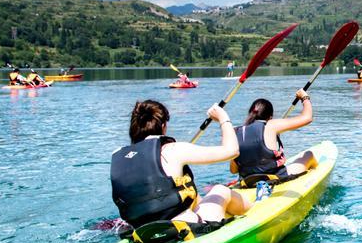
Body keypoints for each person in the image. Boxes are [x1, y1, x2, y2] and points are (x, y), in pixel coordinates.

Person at [110, 100, 249, 227]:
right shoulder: (172, 149)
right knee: (220, 190)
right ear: (163, 126)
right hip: (184, 230)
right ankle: (254, 211)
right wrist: (223, 118)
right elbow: (232, 151)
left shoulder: (117, 155)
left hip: (142, 231)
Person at [231, 89, 318, 182]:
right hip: (276, 178)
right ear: (270, 117)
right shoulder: (271, 124)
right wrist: (305, 97)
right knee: (309, 155)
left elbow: (233, 170)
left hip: (247, 181)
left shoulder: (235, 132)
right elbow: (307, 118)